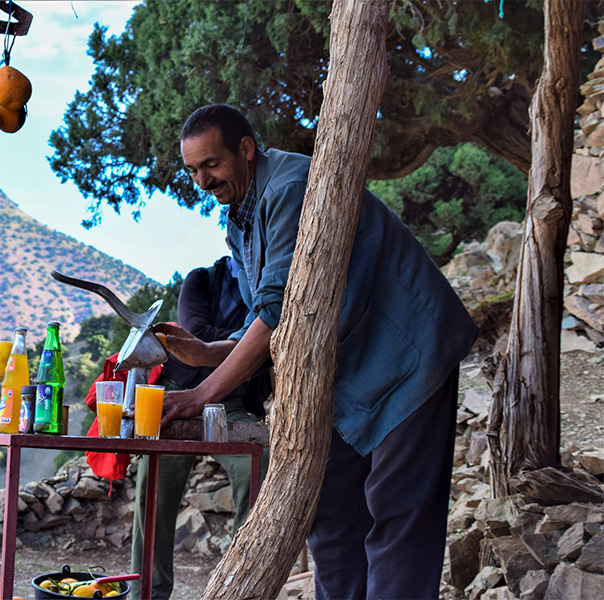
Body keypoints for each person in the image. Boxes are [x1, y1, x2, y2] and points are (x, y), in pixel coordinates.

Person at [154, 104, 478, 599]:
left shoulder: (289, 188)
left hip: (408, 354)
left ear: (246, 149)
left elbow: (278, 312)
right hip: (349, 375)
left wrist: (201, 395)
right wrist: (206, 352)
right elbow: (268, 320)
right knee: (331, 513)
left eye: (212, 164)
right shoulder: (239, 216)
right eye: (193, 170)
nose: (202, 181)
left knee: (398, 513)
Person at [129, 255, 271, 600]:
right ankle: (147, 593)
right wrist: (260, 341)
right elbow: (198, 336)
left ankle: (239, 582)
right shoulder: (202, 280)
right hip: (177, 397)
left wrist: (264, 338)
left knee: (260, 462)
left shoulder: (271, 283)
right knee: (155, 489)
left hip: (231, 405)